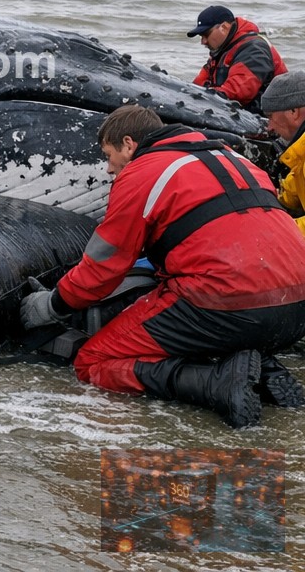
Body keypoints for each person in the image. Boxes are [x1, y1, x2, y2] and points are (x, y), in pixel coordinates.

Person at [20, 103, 305, 428]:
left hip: (228, 303)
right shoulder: (233, 158)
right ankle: (262, 369)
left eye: (108, 156)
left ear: (128, 145)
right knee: (202, 316)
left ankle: (215, 384)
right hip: (295, 311)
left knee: (94, 360)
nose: (110, 169)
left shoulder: (142, 173)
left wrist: (51, 305)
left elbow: (103, 268)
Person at [187, 5, 286, 111]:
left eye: (206, 34)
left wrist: (201, 96)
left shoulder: (254, 49)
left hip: (273, 119)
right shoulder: (220, 52)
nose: (203, 41)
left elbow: (237, 93)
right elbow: (196, 86)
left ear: (224, 28)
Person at [260, 70, 305, 234]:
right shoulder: (301, 151)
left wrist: (276, 231)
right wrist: (273, 198)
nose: (269, 127)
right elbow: (297, 181)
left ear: (294, 112)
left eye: (271, 116)